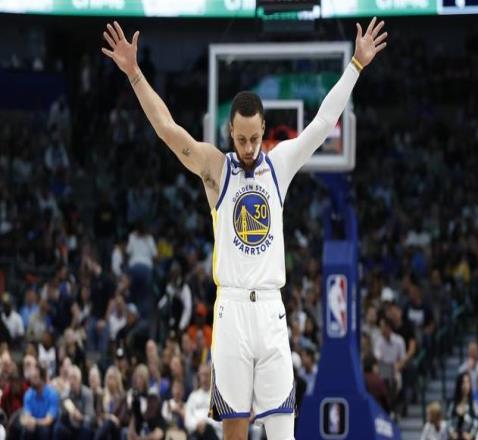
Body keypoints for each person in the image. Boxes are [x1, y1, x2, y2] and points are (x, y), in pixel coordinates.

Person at [102, 17, 387, 439]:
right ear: (230, 133)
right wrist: (135, 74)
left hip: (270, 310)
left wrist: (356, 66)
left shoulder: (280, 164)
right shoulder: (216, 168)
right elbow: (167, 130)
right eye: (242, 139)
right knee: (234, 429)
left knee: (283, 429)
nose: (250, 147)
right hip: (231, 309)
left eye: (255, 138)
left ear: (263, 131)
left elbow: (323, 122)